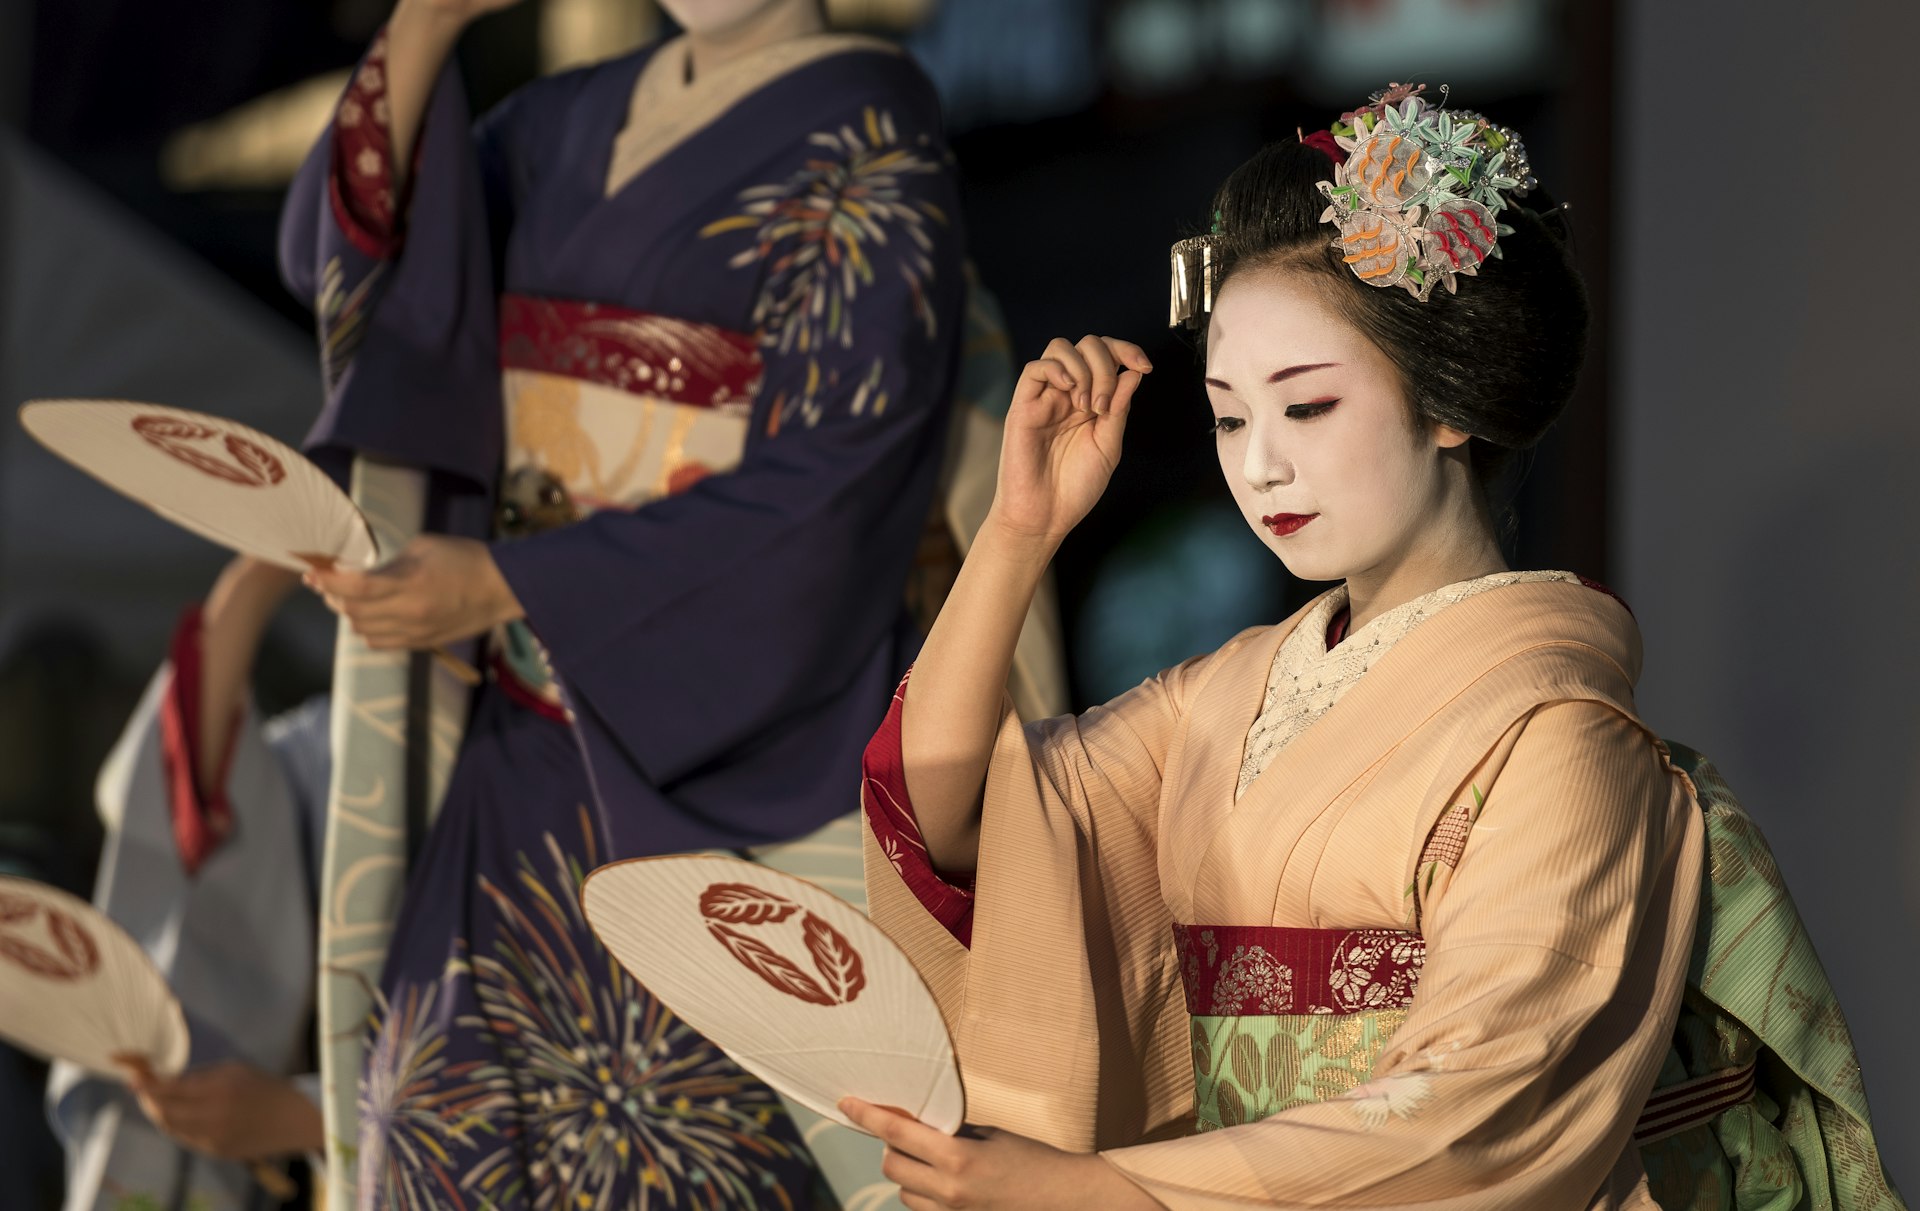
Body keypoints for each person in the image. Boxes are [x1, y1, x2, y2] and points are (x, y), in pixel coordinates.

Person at [844, 90, 1906, 1208]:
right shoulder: (1222, 699)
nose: (1259, 466)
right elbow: (952, 816)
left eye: (1304, 407)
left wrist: (1095, 1191)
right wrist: (1019, 534)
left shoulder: (1564, 746)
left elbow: (1468, 1120)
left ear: (1449, 397)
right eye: (1228, 415)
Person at [275, 0, 978, 1205]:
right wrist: (428, 24)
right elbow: (358, 272)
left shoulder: (874, 144)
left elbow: (830, 496)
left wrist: (506, 577)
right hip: (517, 754)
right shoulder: (564, 119)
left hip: (702, 771)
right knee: (429, 1134)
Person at [47, 555, 328, 1210]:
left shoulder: (553, 762)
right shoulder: (335, 746)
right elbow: (180, 811)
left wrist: (307, 1114)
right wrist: (257, 579)